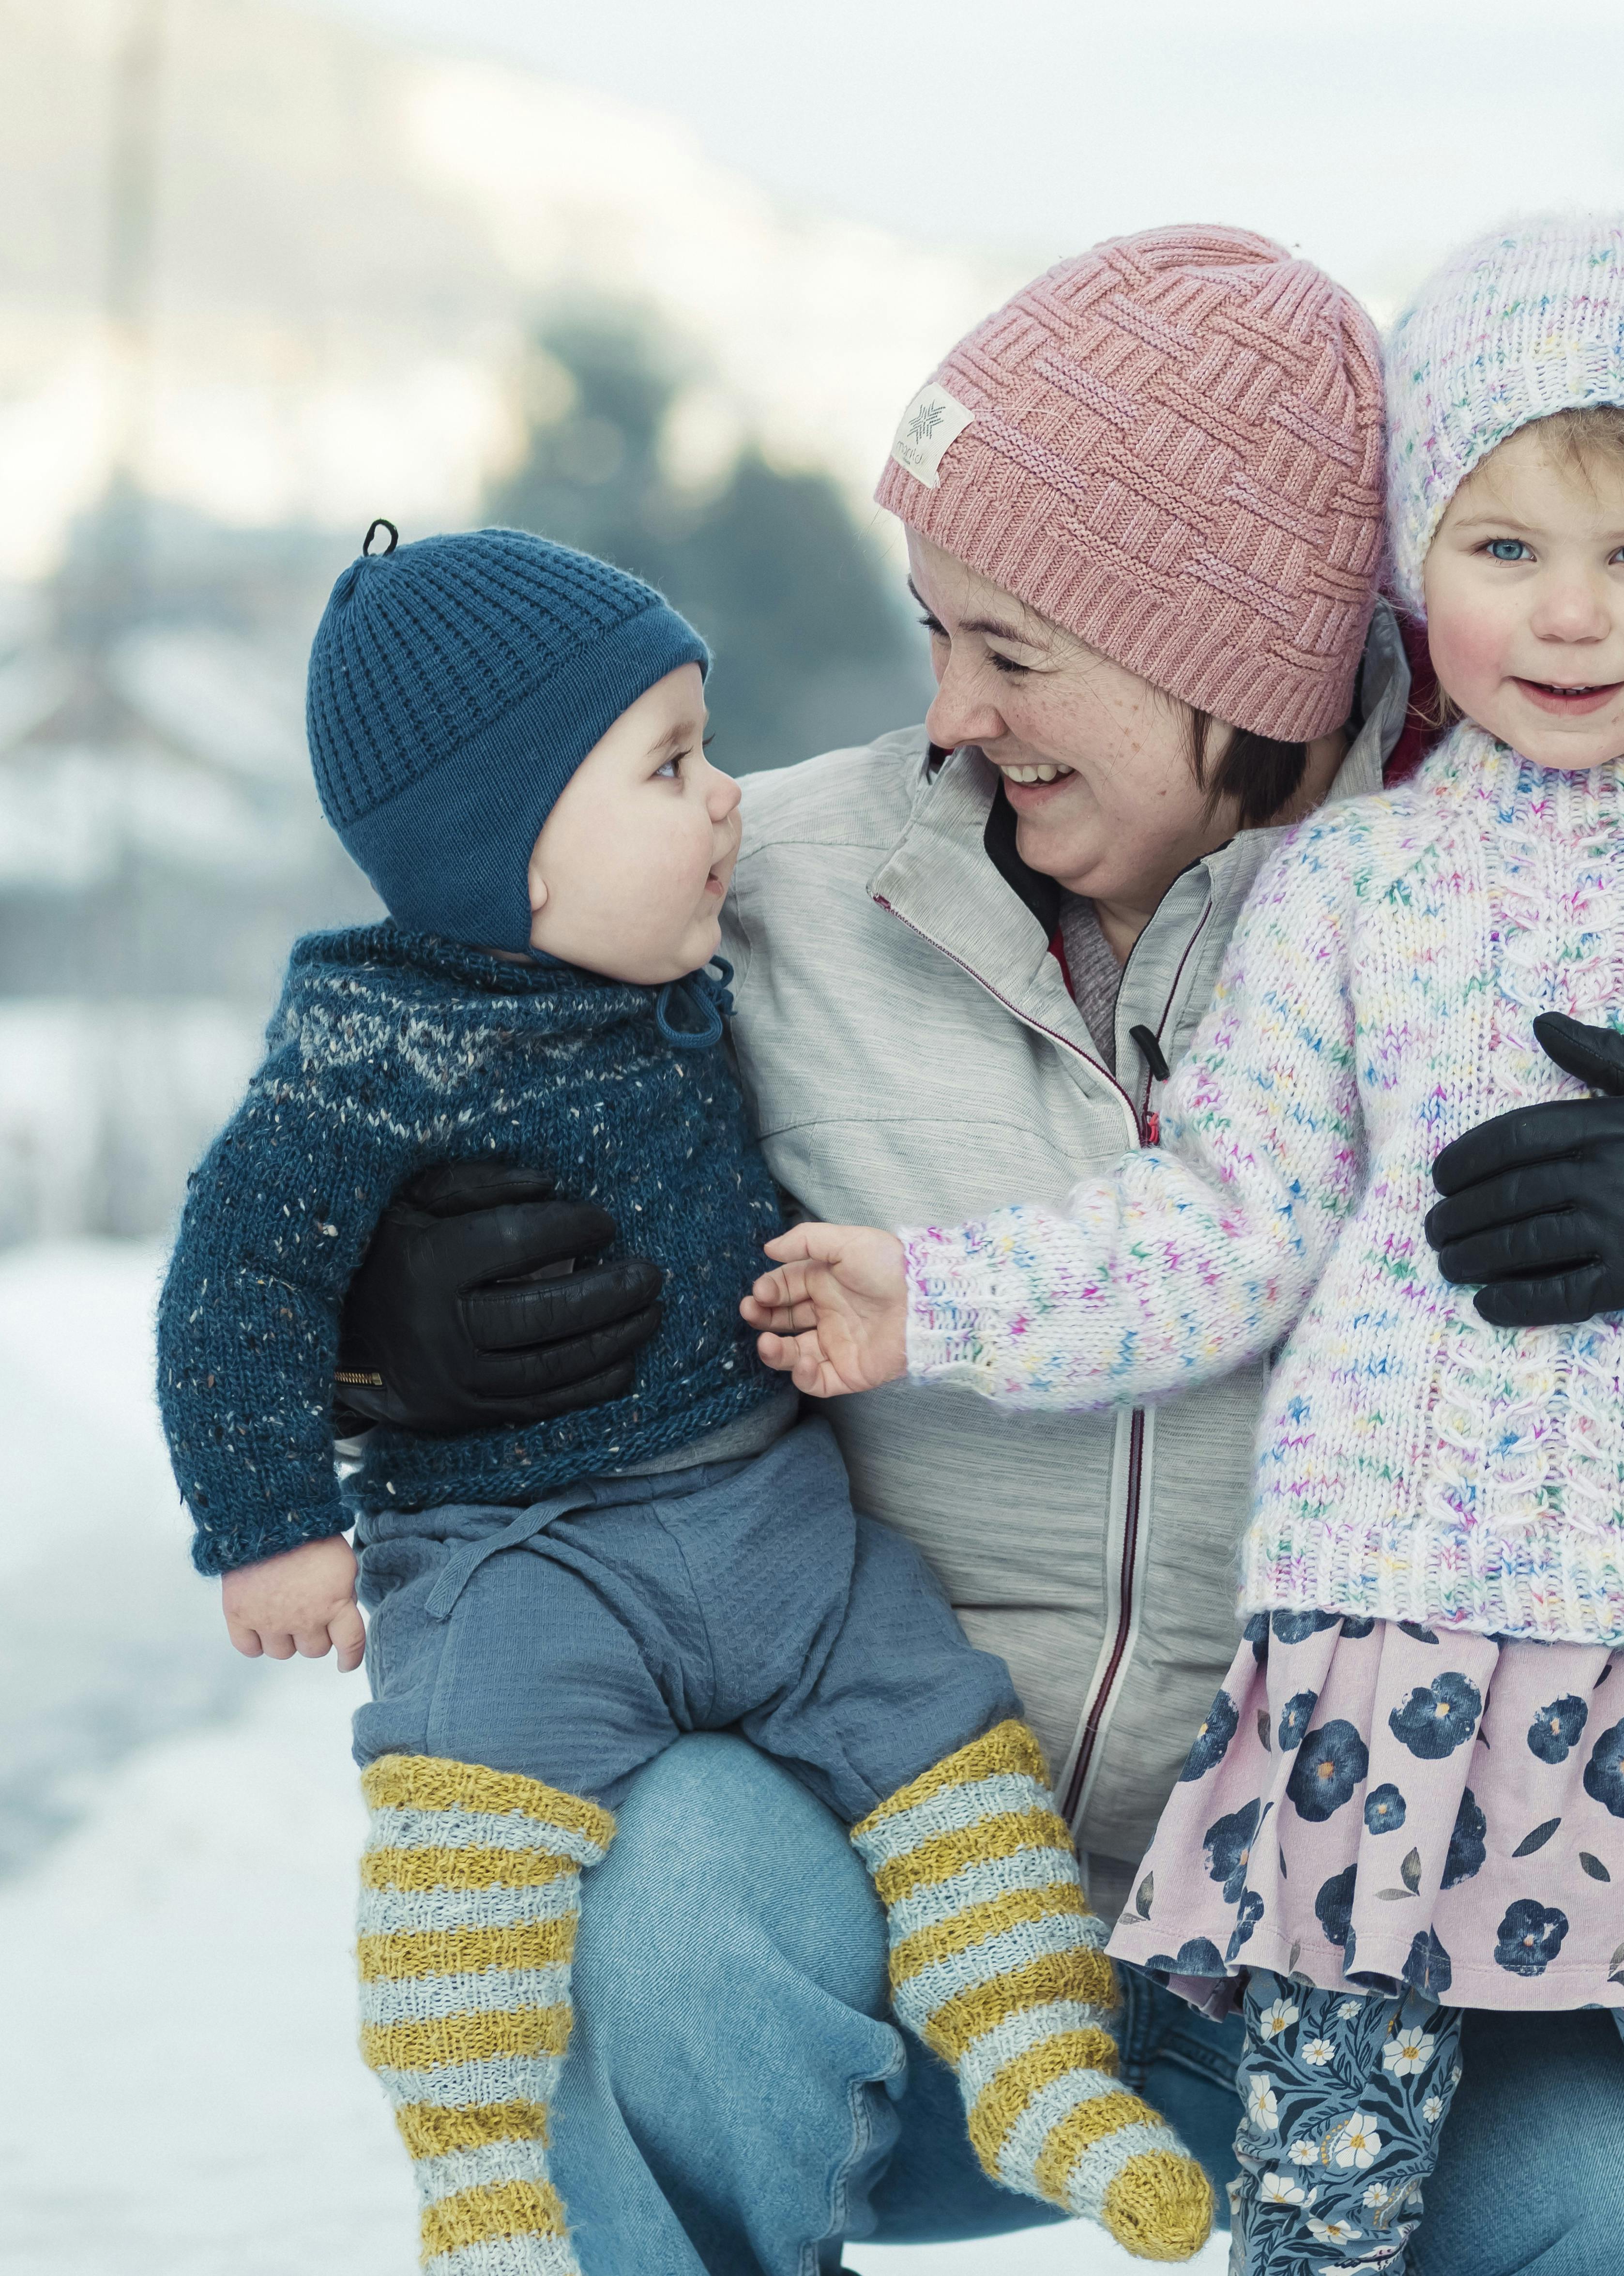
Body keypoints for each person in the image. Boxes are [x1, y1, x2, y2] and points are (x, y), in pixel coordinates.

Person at [334, 226, 1624, 2276]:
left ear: (1228, 648)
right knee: (663, 1889)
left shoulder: (1603, 911)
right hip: (916, 1899)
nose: (945, 714)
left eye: (1010, 649)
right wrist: (376, 1329)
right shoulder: (772, 891)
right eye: (934, 631)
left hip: (1386, 1922)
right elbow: (371, 1087)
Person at [152, 525, 1212, 2276]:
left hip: (770, 1517)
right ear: (512, 863)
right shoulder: (366, 1048)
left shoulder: (700, 967)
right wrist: (279, 1512)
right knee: (469, 1839)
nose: (726, 802)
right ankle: (481, 2174)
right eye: (670, 767)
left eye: (709, 750)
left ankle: (1038, 2067)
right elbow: (233, 1284)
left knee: (947, 1754)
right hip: (520, 1564)